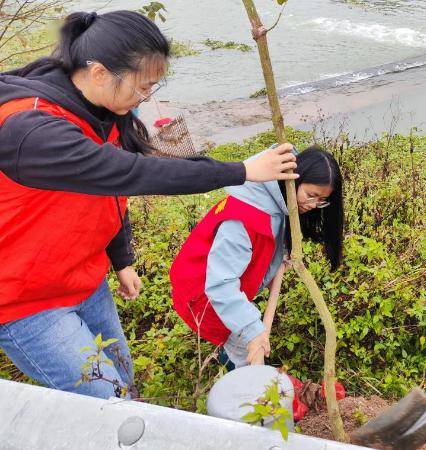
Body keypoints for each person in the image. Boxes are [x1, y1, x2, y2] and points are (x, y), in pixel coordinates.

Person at [0, 10, 299, 399]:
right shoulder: (32, 129)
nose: (145, 98)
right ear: (99, 72)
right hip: (25, 302)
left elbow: (107, 191)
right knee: (111, 401)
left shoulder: (104, 109)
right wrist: (242, 170)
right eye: (141, 88)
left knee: (123, 380)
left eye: (152, 88)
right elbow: (132, 173)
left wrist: (120, 257)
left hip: (83, 280)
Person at [170, 146, 344, 369]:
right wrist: (253, 330)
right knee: (248, 356)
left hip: (225, 286)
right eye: (311, 196)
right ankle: (235, 370)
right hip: (204, 295)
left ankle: (230, 357)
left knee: (243, 337)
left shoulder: (276, 198)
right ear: (292, 181)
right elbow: (220, 285)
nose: (312, 205)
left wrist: (280, 254)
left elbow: (269, 238)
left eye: (321, 200)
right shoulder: (242, 220)